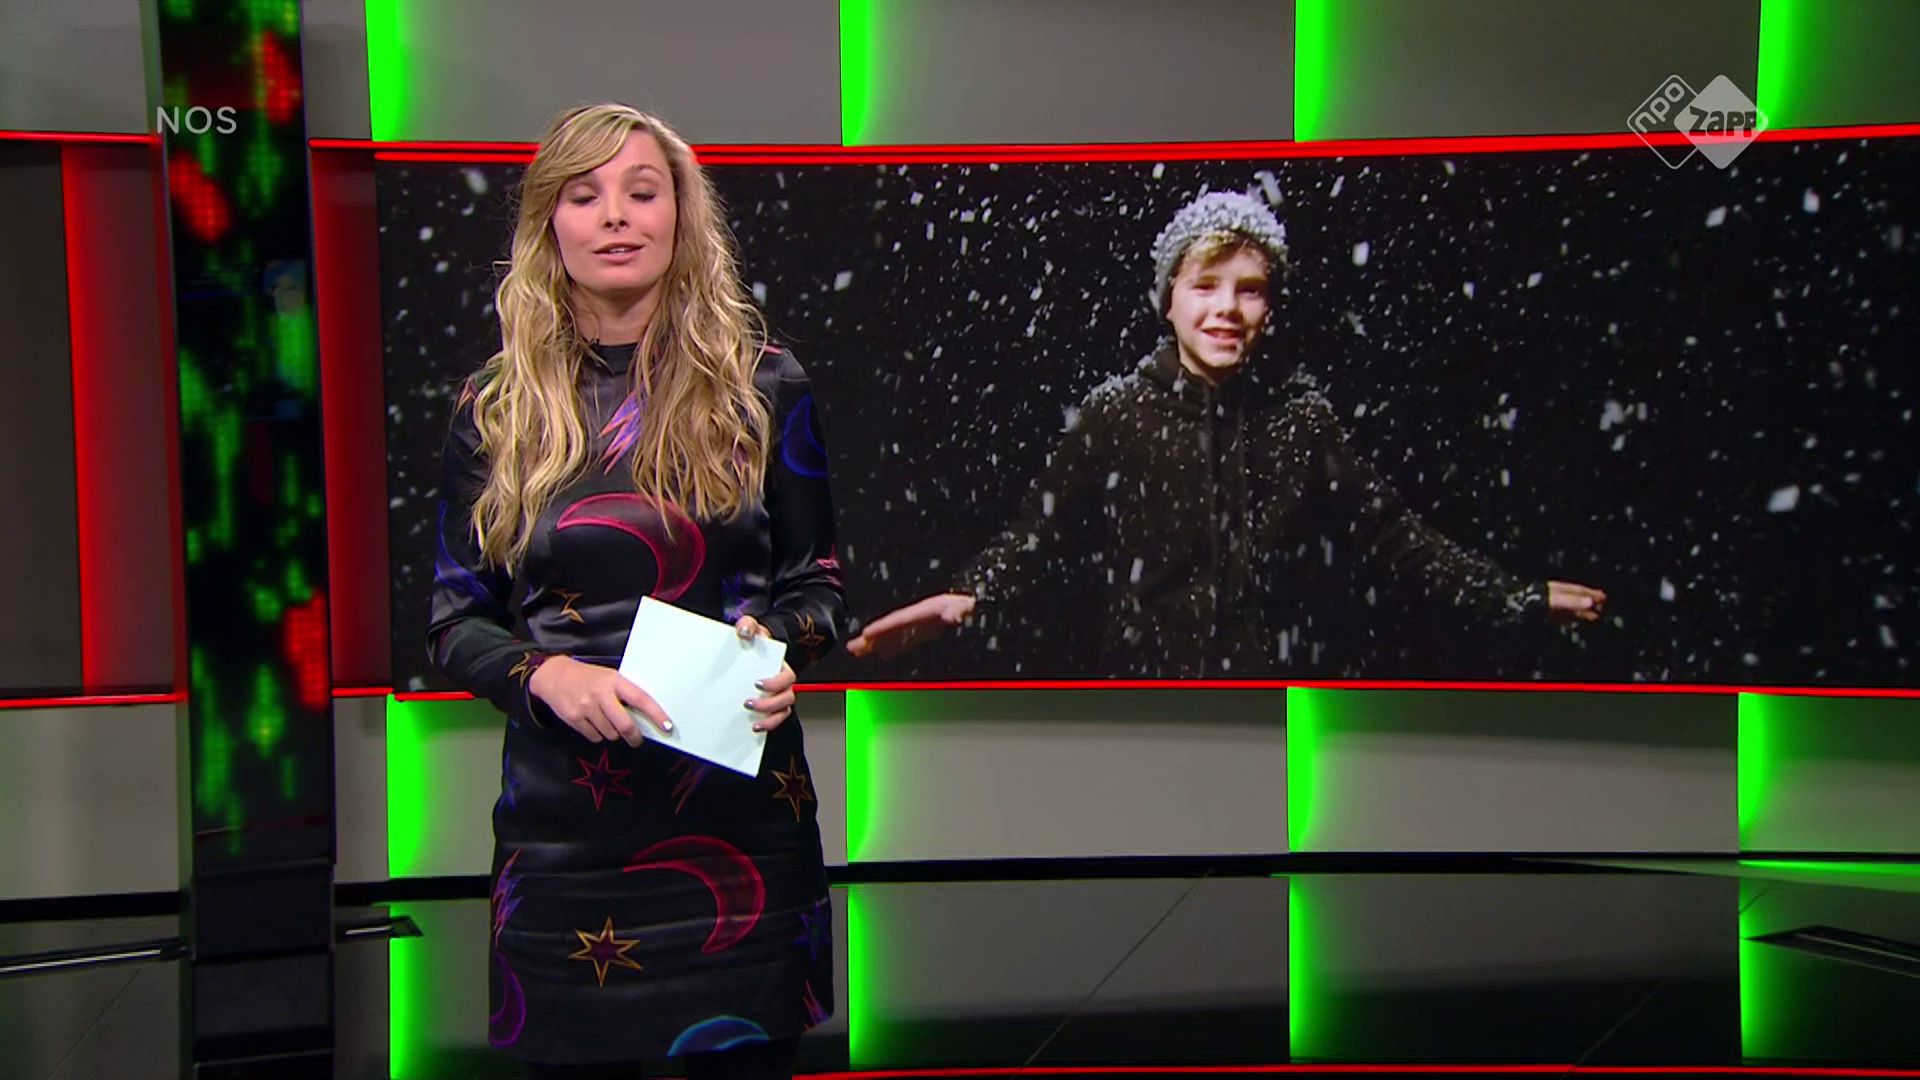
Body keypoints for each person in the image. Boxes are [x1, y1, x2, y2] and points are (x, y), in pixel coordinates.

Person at [426, 103, 846, 1079]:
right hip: (565, 847)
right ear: (550, 225)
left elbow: (819, 587)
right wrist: (545, 676)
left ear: (679, 216)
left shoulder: (766, 385)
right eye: (585, 195)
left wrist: (784, 649)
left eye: (641, 191)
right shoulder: (495, 407)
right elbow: (455, 621)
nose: (615, 214)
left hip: (740, 828)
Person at [847, 190, 1605, 676]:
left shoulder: (1302, 420)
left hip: (1271, 700)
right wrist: (966, 598)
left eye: (1250, 289)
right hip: (1141, 695)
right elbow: (1032, 537)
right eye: (1205, 285)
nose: (1227, 309)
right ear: (1169, 299)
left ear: (1270, 306)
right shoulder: (1116, 412)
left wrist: (1518, 598)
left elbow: (1398, 537)